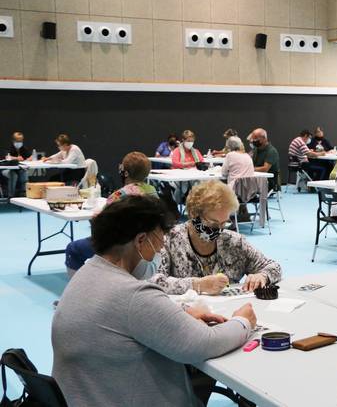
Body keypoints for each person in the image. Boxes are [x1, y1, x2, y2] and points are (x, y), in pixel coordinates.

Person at [52, 196, 257, 407]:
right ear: (140, 240)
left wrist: (180, 314)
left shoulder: (86, 274)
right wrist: (243, 322)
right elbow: (205, 343)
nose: (159, 252)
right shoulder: (133, 295)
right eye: (158, 244)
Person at [151, 180, 282, 295]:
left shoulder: (233, 242)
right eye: (212, 223)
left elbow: (273, 267)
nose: (218, 229)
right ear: (193, 213)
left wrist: (262, 276)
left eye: (224, 223)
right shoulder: (169, 240)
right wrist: (197, 285)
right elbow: (154, 282)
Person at [65, 152, 159, 279]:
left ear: (125, 173)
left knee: (73, 249)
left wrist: (94, 219)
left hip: (122, 246)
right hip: (147, 246)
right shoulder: (153, 192)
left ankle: (79, 290)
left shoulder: (119, 195)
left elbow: (101, 225)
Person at [3, 131, 32, 197]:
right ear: (13, 140)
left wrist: (28, 159)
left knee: (24, 173)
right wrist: (16, 158)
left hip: (19, 169)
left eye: (20, 141)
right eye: (17, 140)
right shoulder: (9, 147)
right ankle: (11, 196)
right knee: (13, 175)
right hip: (6, 170)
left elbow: (30, 156)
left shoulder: (23, 148)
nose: (19, 142)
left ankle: (24, 194)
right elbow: (7, 157)